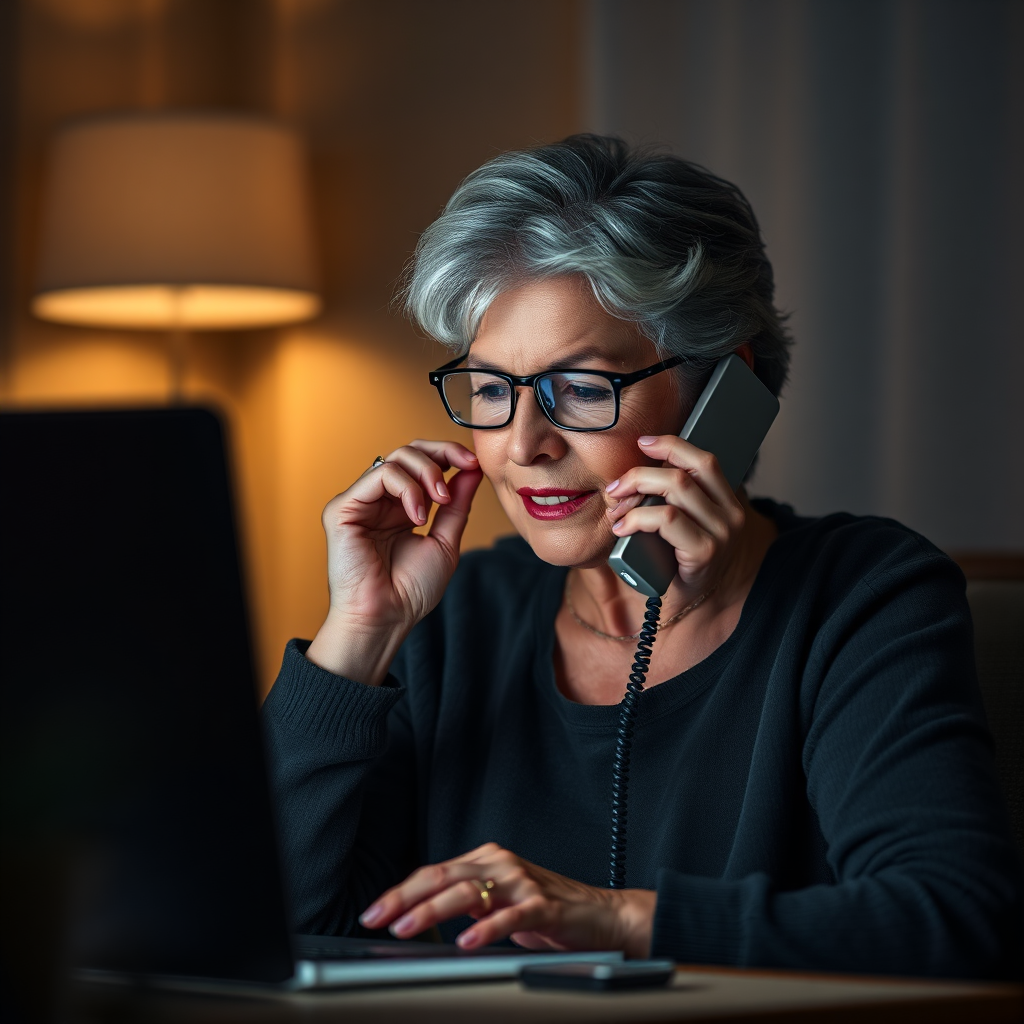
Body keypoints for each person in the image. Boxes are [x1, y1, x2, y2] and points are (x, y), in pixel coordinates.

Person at [263, 135, 1022, 978]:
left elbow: (955, 920)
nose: (522, 445)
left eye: (582, 388)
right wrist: (361, 635)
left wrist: (614, 919)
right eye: (489, 390)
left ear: (725, 391)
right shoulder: (460, 615)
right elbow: (270, 924)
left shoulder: (865, 597)